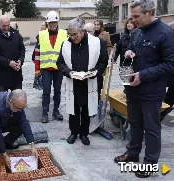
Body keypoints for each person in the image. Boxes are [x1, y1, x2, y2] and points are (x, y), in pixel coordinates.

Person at [113, 0, 174, 178]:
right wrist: (128, 52)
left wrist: (143, 75)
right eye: (132, 16)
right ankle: (132, 153)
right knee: (135, 123)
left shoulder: (166, 34)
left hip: (152, 91)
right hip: (133, 88)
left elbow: (171, 64)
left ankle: (150, 163)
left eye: (136, 16)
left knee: (151, 128)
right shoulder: (137, 32)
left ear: (149, 12)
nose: (133, 20)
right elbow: (132, 49)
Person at [56, 18, 108, 145]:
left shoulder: (97, 42)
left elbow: (103, 62)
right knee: (73, 109)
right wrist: (69, 72)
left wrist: (94, 72)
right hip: (73, 82)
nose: (73, 38)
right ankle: (73, 132)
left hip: (89, 82)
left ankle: (84, 134)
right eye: (70, 34)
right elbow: (60, 62)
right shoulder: (65, 44)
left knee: (86, 109)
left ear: (83, 31)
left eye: (75, 34)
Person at [34, 11, 67, 123]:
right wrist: (37, 69)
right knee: (46, 91)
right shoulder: (41, 35)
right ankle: (45, 113)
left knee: (57, 91)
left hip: (59, 69)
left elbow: (67, 52)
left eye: (54, 22)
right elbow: (37, 53)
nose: (52, 24)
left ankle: (56, 111)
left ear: (57, 22)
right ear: (47, 23)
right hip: (46, 68)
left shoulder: (64, 34)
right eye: (50, 22)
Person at [0, 15, 26, 92]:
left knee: (17, 101)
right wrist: (8, 63)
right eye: (3, 26)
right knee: (3, 101)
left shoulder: (17, 34)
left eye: (8, 25)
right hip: (2, 76)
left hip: (16, 75)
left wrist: (20, 61)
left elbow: (22, 50)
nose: (6, 28)